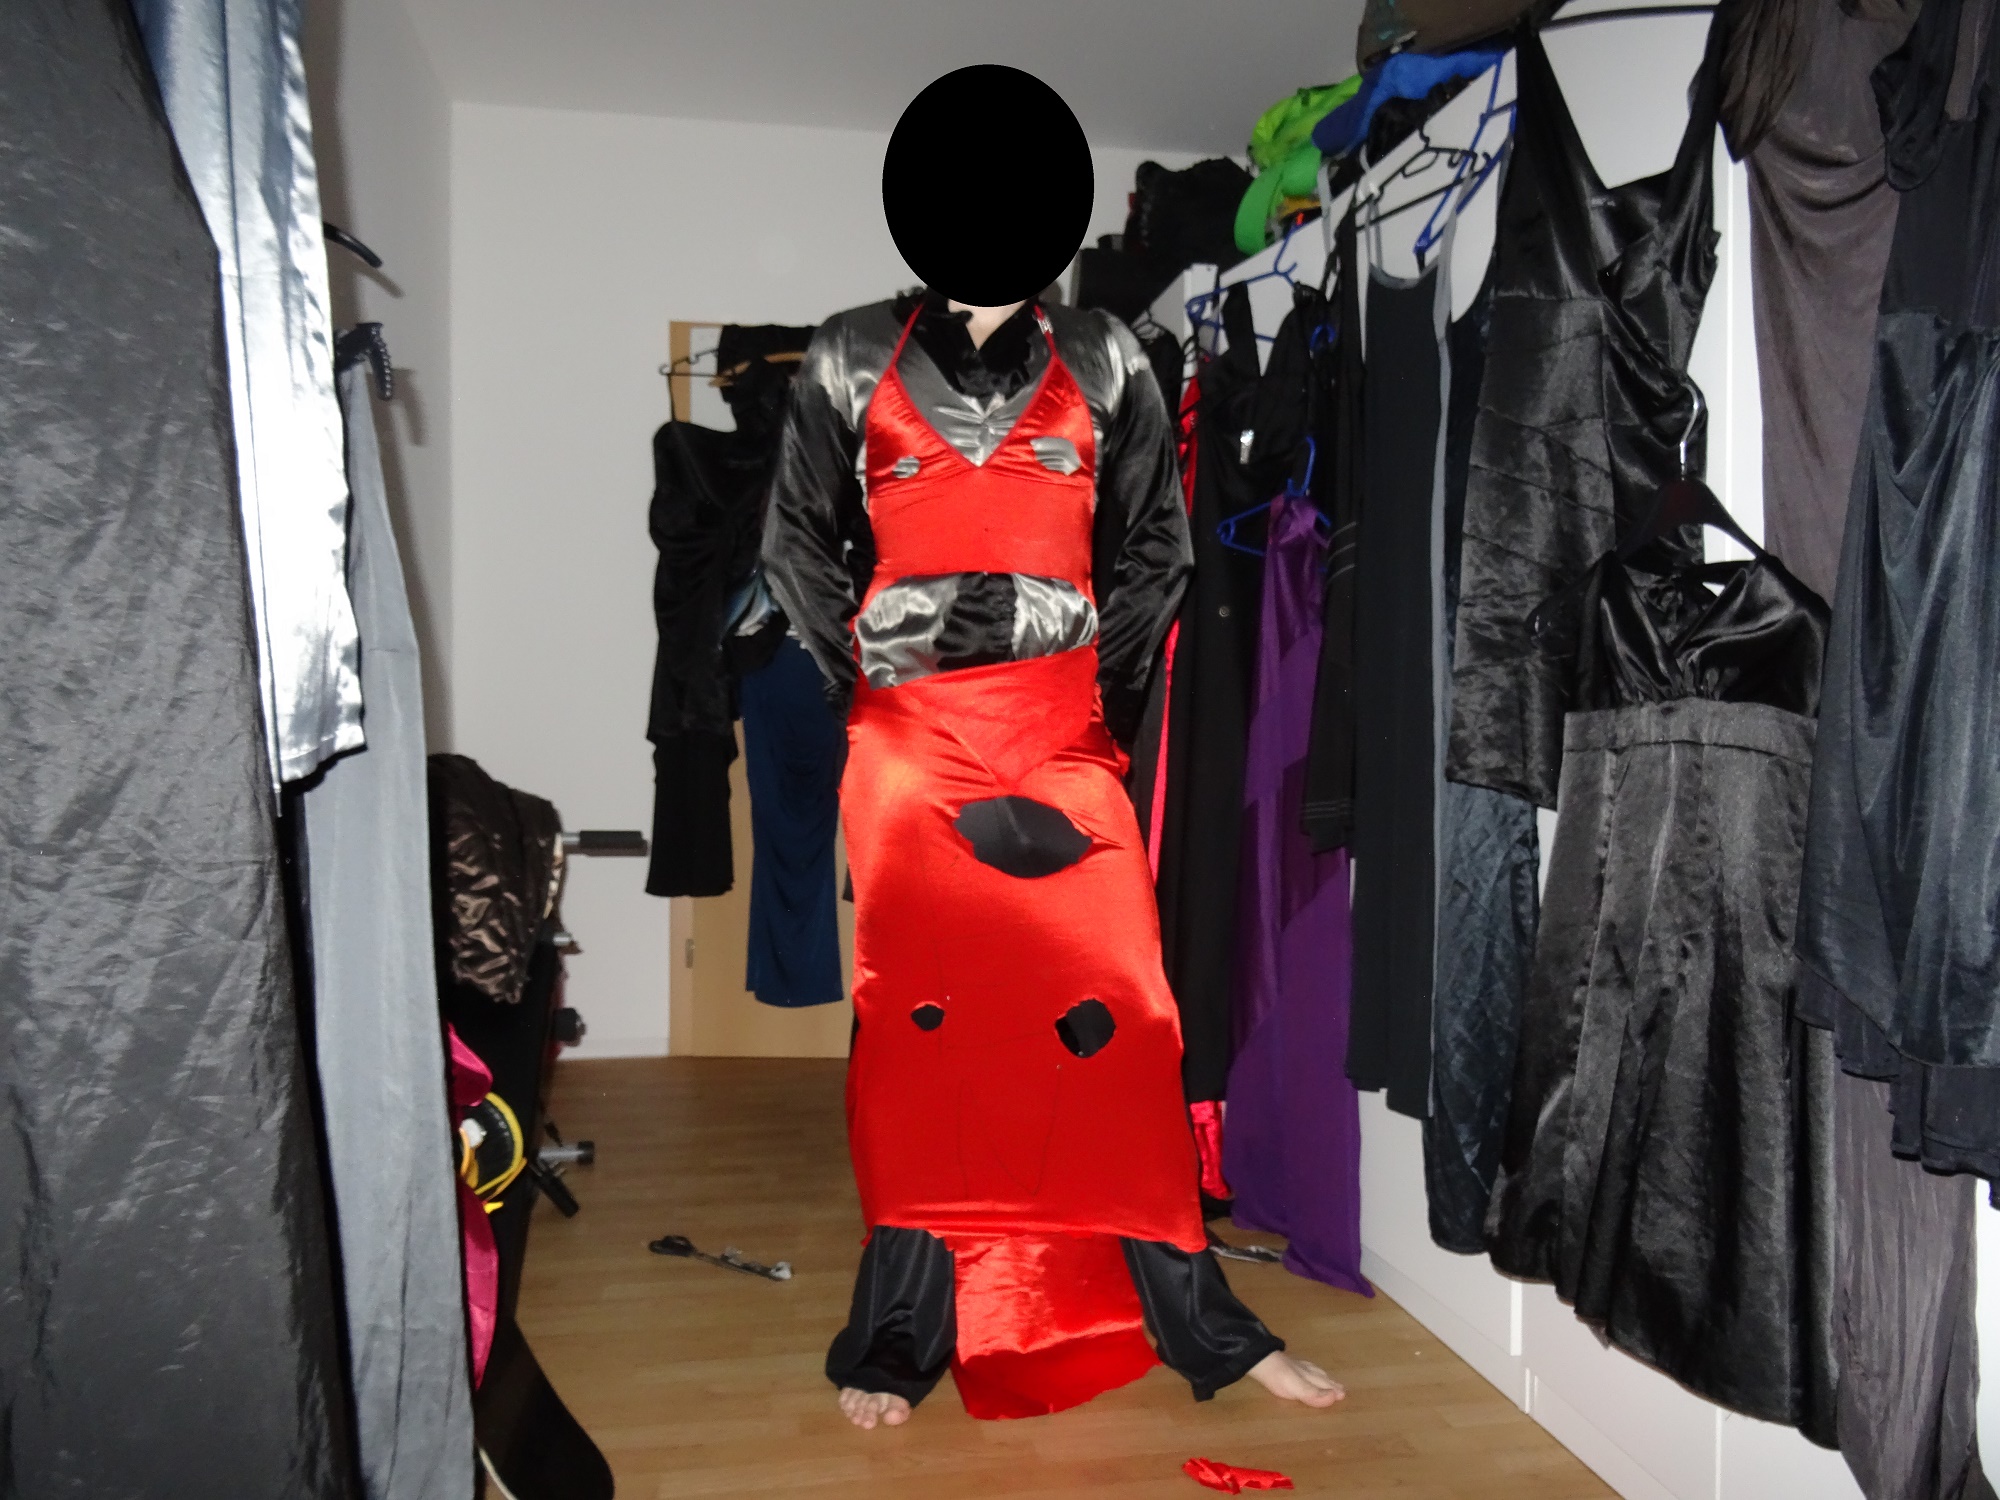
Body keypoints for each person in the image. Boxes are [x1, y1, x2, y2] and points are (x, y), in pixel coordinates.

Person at [762, 279, 1346, 1427]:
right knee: (921, 1026)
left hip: (1061, 725)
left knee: (1126, 1015)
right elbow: (794, 545)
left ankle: (1206, 1329)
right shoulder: (848, 350)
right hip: (909, 736)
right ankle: (899, 1330)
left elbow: (1156, 551)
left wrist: (1091, 715)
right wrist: (870, 694)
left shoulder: (1106, 352)